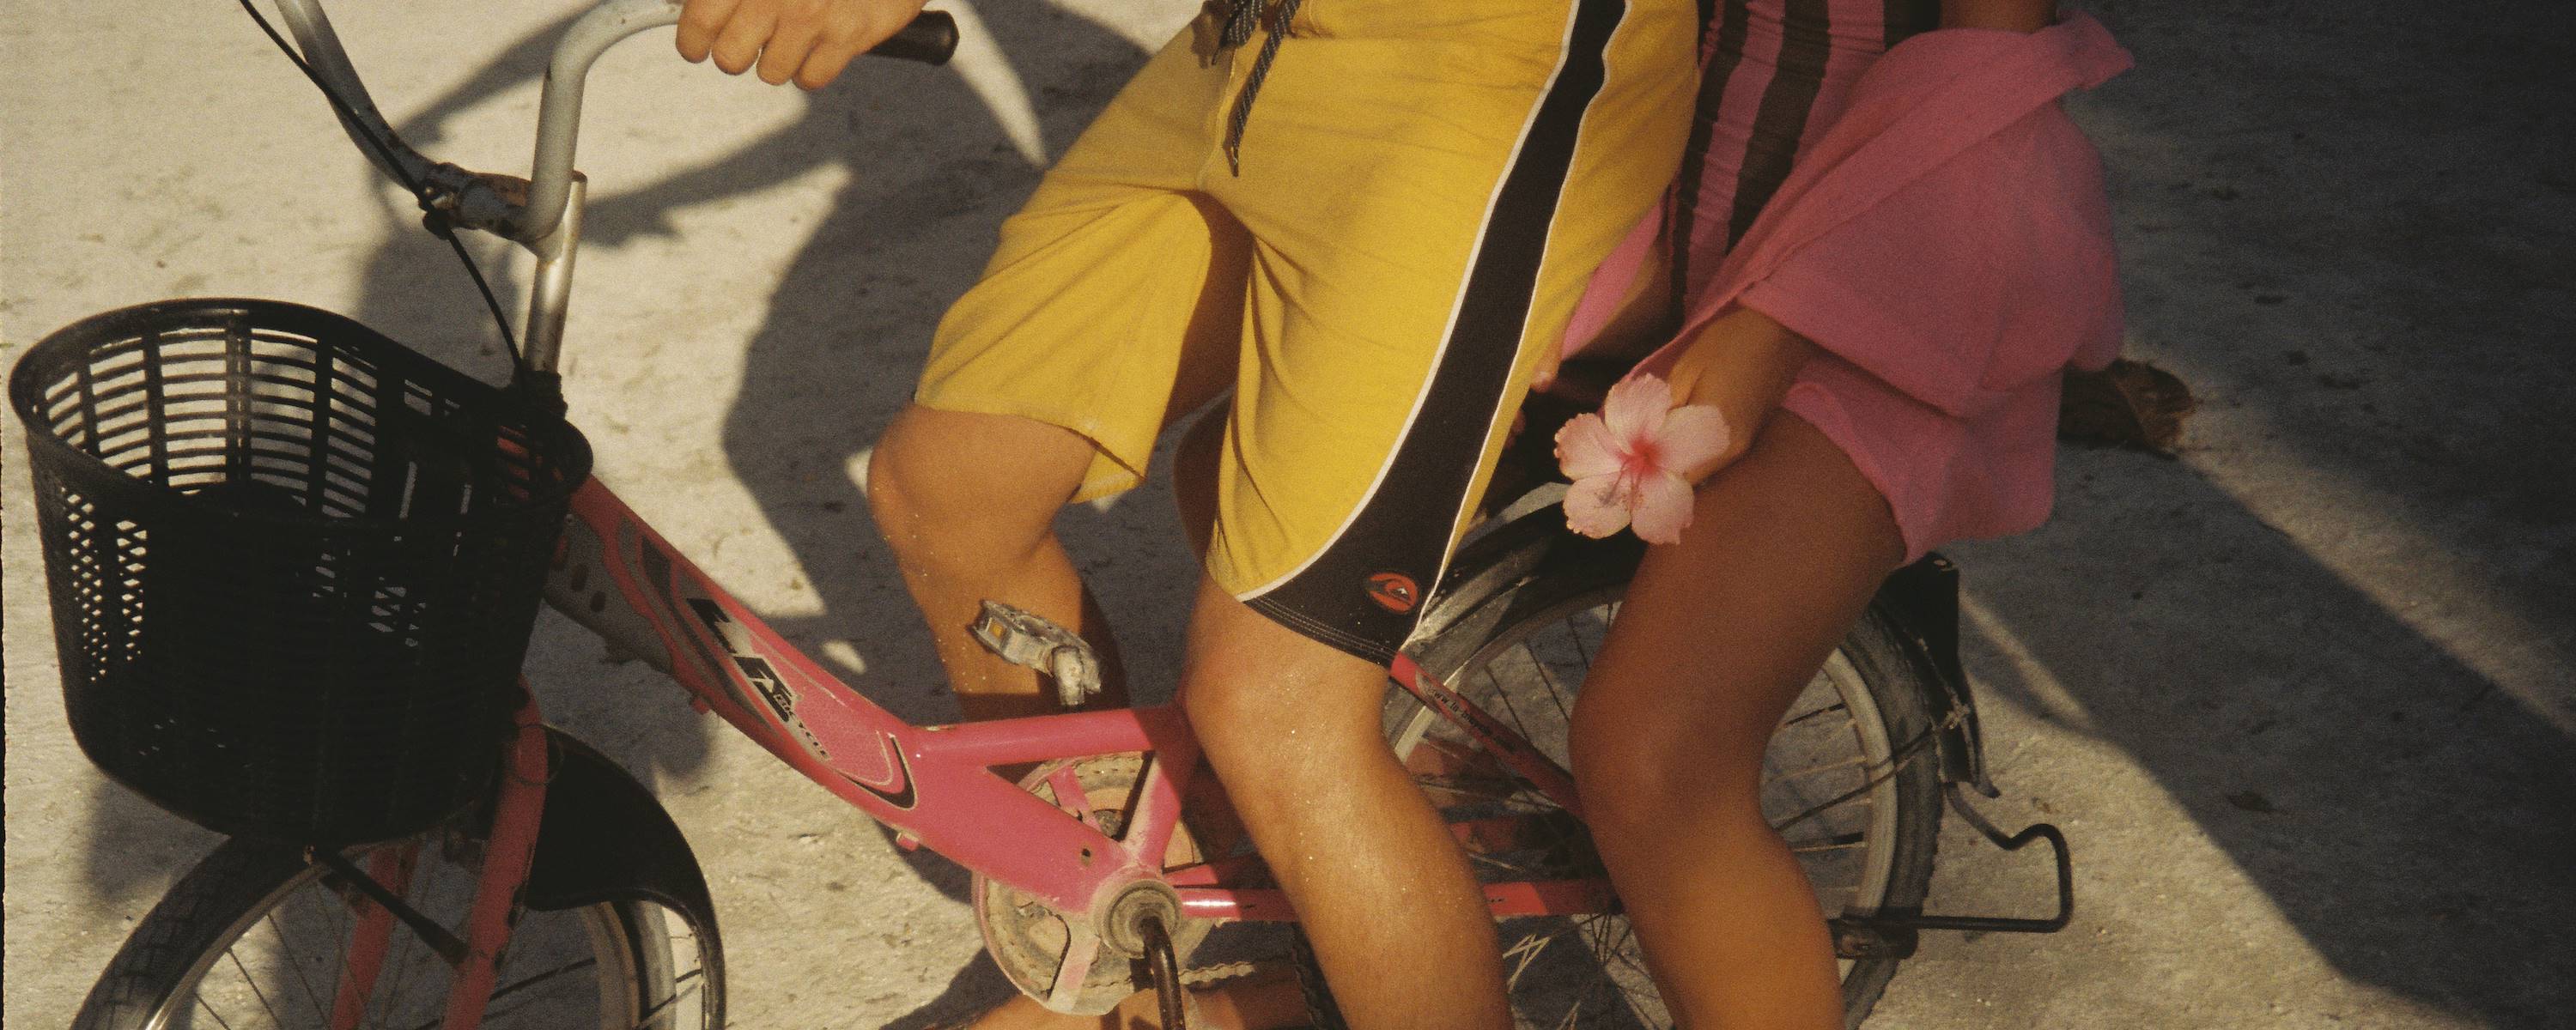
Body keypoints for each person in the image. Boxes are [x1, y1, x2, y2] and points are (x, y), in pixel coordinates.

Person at [673, 0, 1698, 1027]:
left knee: (1276, 706)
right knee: (954, 490)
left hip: (1476, 74)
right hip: (1256, 40)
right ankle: (1113, 935)